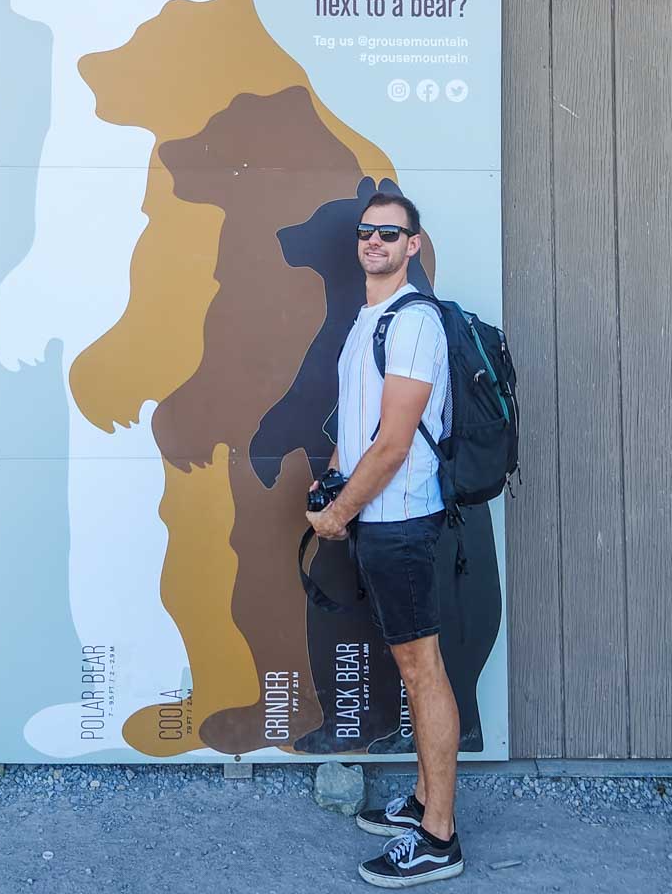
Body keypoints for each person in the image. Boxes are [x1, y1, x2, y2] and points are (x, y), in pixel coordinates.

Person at [305, 190, 463, 887]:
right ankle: (426, 801)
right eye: (367, 232)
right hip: (378, 517)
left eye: (390, 234)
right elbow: (358, 430)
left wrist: (339, 514)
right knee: (411, 666)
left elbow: (395, 443)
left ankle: (439, 838)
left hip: (401, 521)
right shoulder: (368, 319)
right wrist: (331, 487)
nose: (374, 241)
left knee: (421, 668)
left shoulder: (415, 322)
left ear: (413, 246)